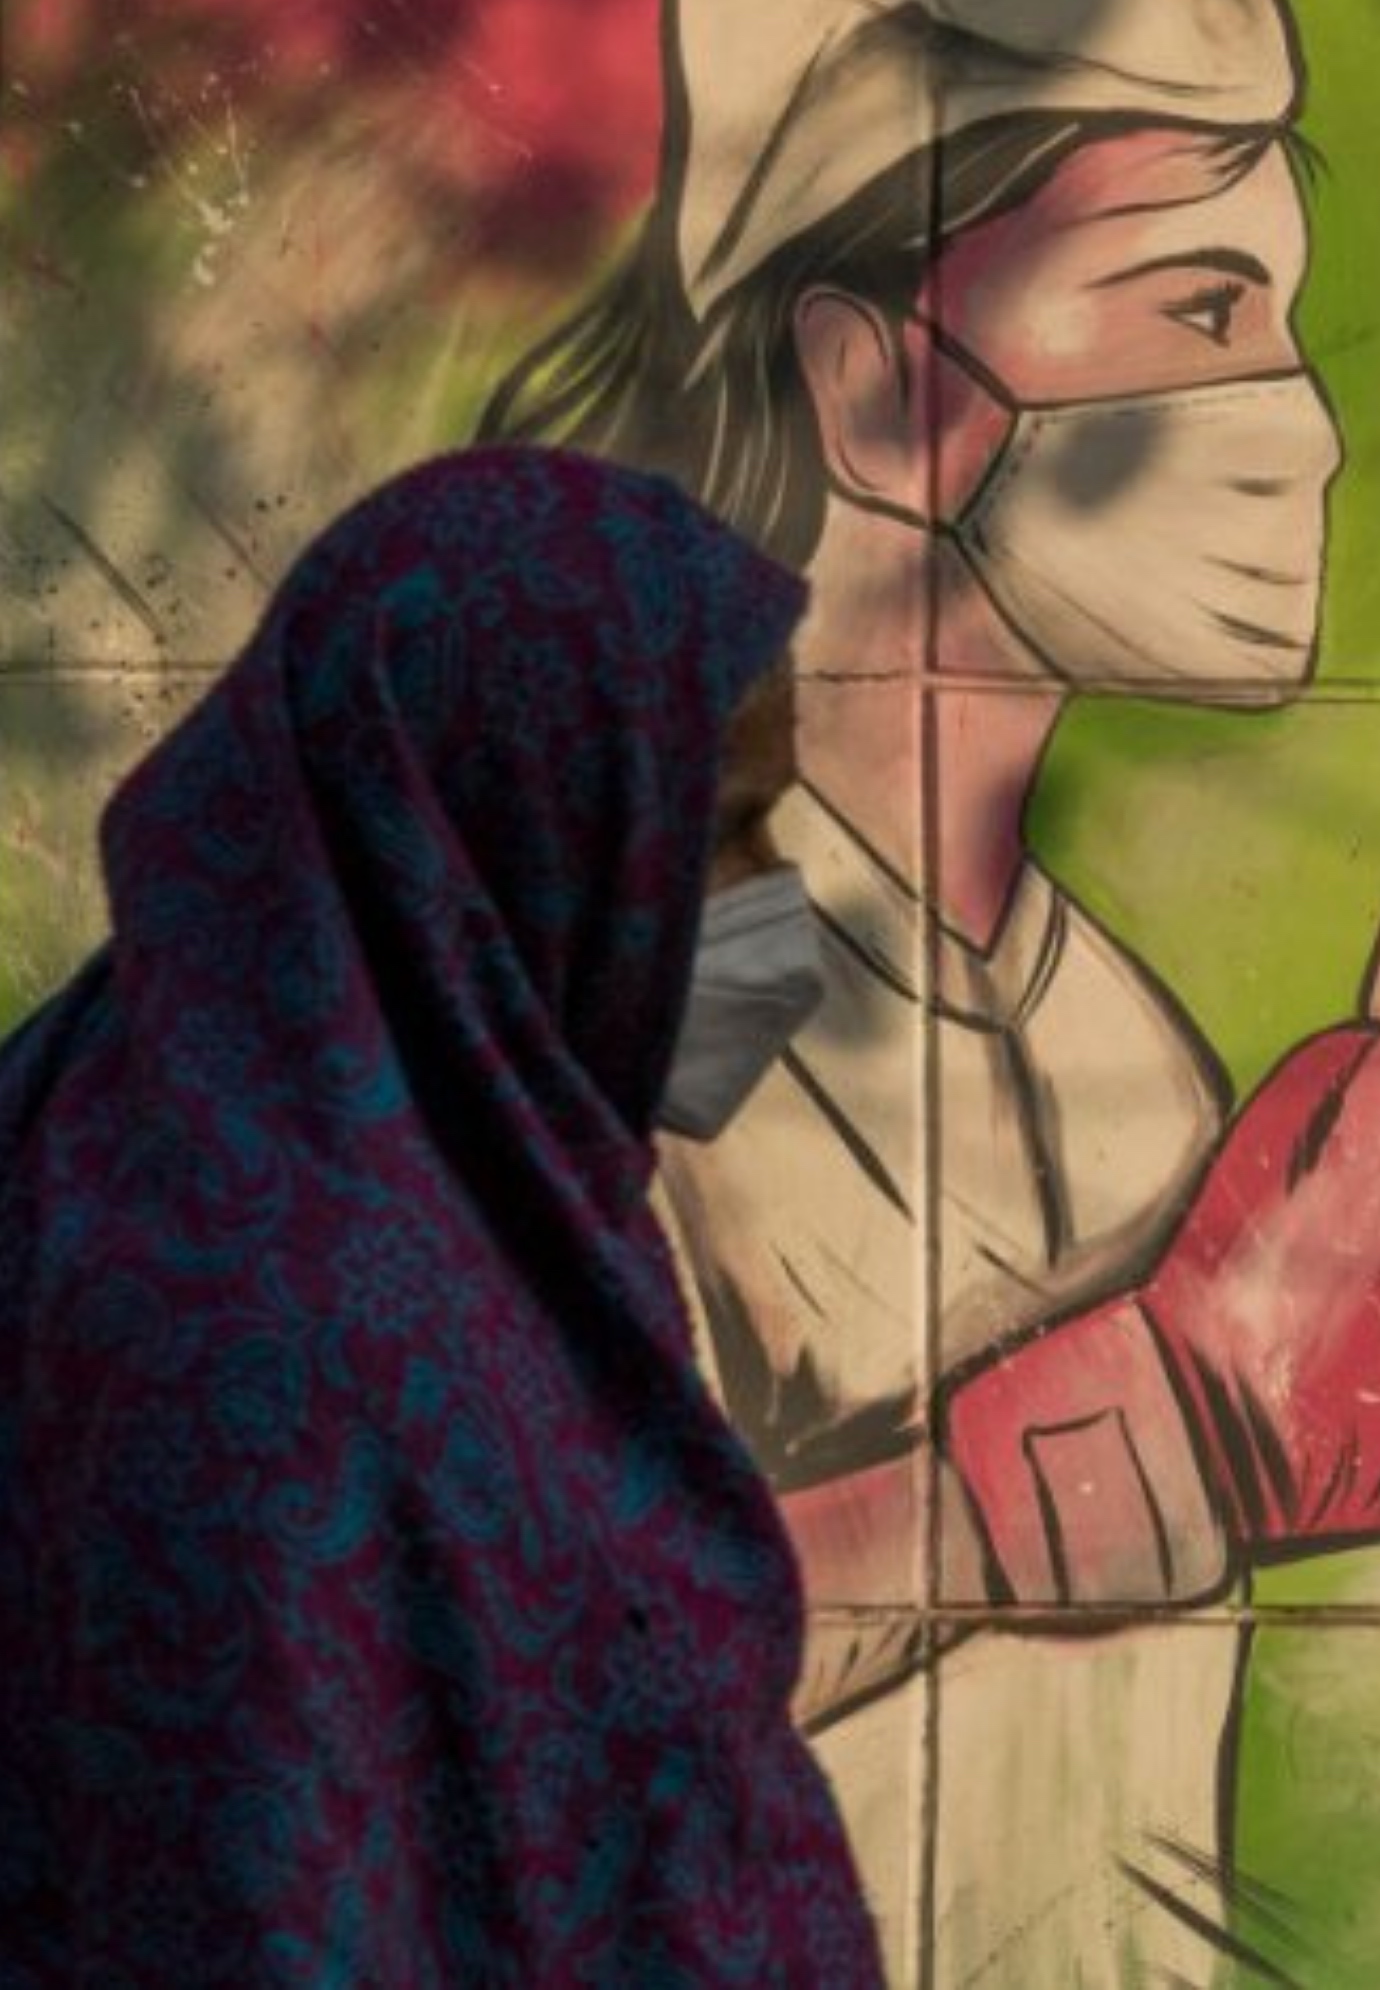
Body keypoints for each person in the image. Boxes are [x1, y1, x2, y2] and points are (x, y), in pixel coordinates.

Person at [481, 0, 1380, 1981]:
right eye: (1198, 311)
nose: (1303, 430)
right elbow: (490, 1713)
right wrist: (1132, 1447)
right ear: (885, 399)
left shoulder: (1132, 1050)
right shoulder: (631, 998)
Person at [0, 446, 885, 1986]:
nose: (768, 900)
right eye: (729, 829)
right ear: (522, 808)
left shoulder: (260, 1139)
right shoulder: (291, 1336)